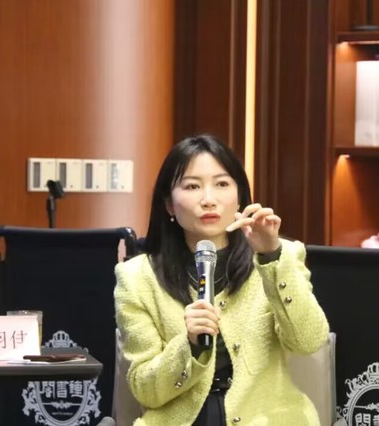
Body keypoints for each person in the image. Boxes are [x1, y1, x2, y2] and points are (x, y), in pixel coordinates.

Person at [114, 134, 329, 426]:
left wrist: (271, 257)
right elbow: (145, 390)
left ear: (239, 195)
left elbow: (309, 341)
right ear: (169, 204)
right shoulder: (137, 278)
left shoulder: (282, 256)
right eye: (192, 186)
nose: (208, 199)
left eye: (222, 184)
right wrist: (188, 345)